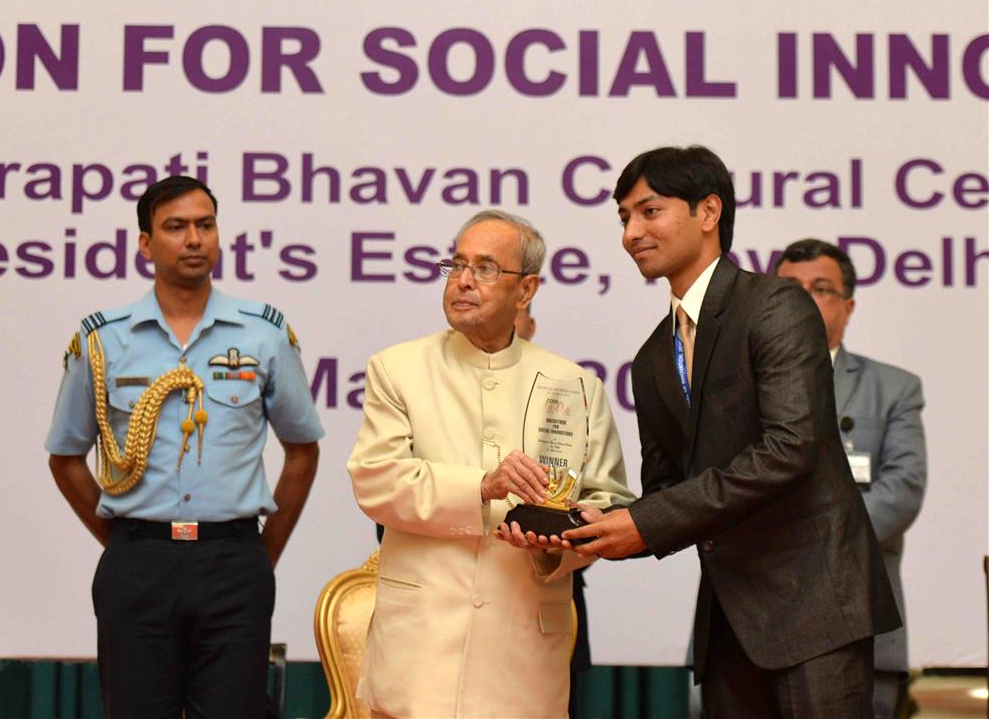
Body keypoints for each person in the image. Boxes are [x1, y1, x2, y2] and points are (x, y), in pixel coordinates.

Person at [566, 146, 899, 717]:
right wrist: (596, 528)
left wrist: (643, 524)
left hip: (815, 607)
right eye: (623, 218)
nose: (631, 232)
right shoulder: (651, 357)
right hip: (729, 620)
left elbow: (789, 448)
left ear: (709, 212)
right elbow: (668, 492)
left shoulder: (776, 305)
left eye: (649, 211)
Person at [45, 175, 322, 718]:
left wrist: (261, 557)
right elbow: (66, 458)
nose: (194, 239)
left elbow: (303, 450)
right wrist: (125, 540)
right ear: (146, 244)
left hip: (234, 562)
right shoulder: (103, 339)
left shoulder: (263, 333)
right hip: (138, 564)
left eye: (205, 225)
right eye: (176, 227)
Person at [347, 210, 632, 718]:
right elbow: (377, 481)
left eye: (483, 268)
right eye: (456, 265)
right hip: (420, 650)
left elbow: (607, 506)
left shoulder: (575, 385)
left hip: (522, 655)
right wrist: (481, 486)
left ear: (525, 291)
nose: (462, 281)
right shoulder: (397, 369)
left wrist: (555, 548)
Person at [776, 238, 927, 719]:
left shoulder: (893, 388)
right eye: (788, 289)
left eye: (819, 289)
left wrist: (812, 541)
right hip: (759, 619)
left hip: (856, 614)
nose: (802, 300)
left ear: (848, 305)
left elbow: (902, 489)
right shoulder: (734, 386)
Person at [515, 302, 593, 718]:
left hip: (548, 625)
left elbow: (604, 505)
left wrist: (561, 539)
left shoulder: (570, 397)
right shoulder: (427, 387)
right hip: (443, 632)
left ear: (530, 324)